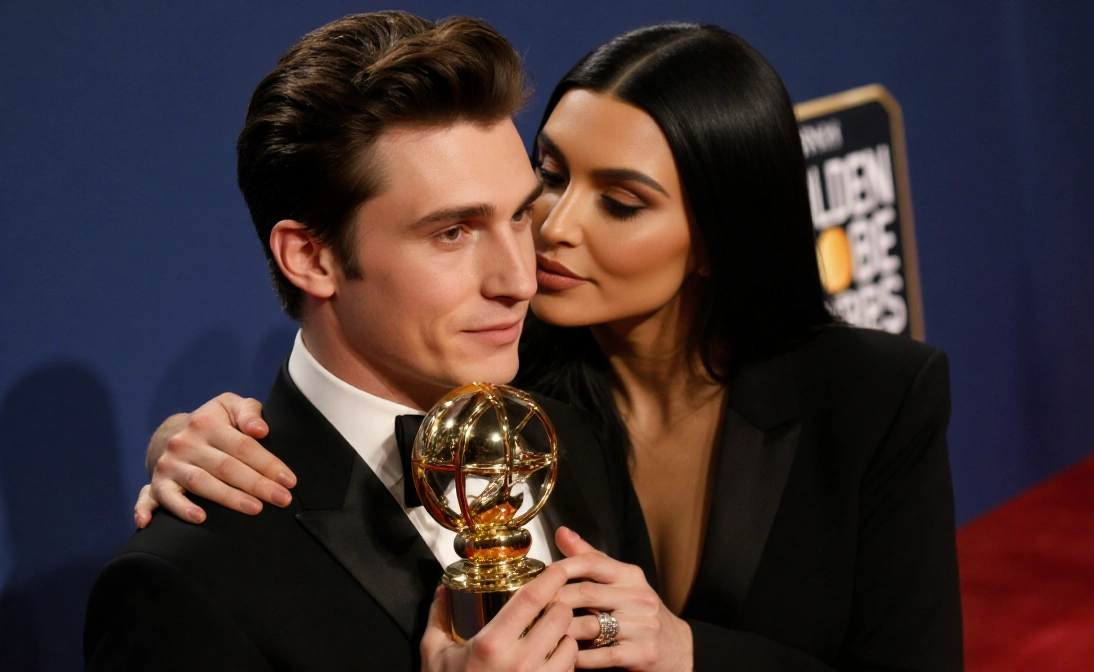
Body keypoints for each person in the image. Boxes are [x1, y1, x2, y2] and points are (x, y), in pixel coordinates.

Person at [138, 22, 964, 672]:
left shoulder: (547, 428)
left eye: (623, 201)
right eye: (553, 180)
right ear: (310, 256)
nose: (538, 254)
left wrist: (688, 654)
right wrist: (191, 441)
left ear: (715, 234)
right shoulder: (501, 378)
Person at [83, 12, 651, 672]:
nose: (520, 280)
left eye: (520, 215)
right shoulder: (187, 583)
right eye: (452, 233)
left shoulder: (569, 439)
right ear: (312, 259)